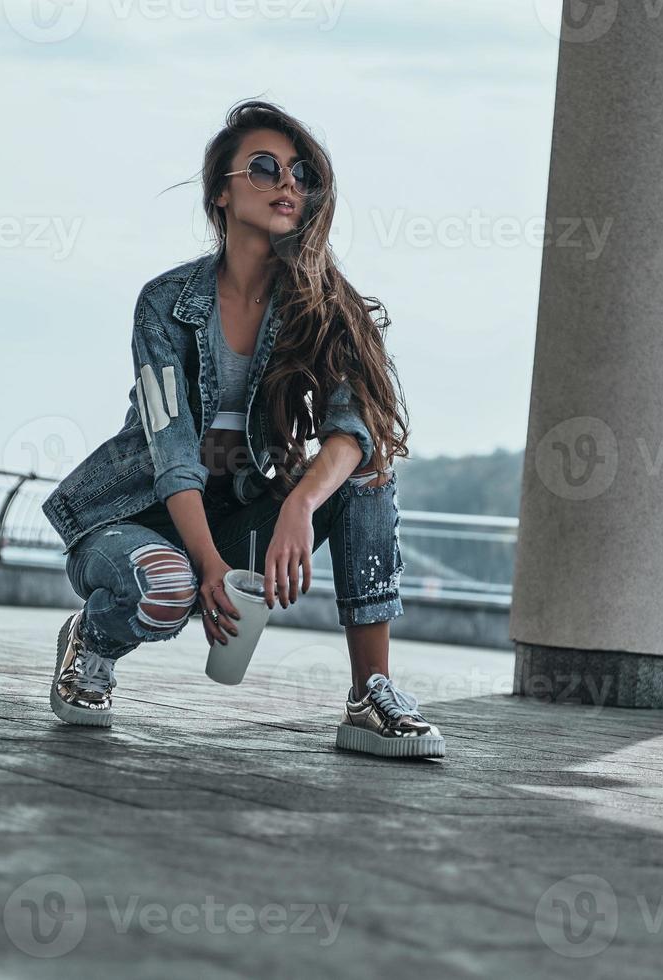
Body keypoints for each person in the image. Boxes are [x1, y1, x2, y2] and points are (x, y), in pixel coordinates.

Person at [40, 99, 444, 758]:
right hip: (138, 514)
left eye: (301, 173)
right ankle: (93, 640)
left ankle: (371, 691)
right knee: (165, 588)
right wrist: (208, 569)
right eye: (264, 167)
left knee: (367, 469)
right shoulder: (166, 303)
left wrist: (300, 502)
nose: (288, 184)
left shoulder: (322, 306)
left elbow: (354, 425)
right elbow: (171, 446)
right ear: (221, 192)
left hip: (241, 511)